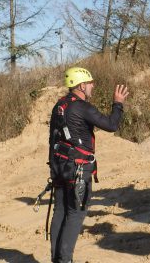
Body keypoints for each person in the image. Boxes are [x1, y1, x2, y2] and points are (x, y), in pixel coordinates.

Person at [48, 67, 129, 263]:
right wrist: (117, 104)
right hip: (77, 169)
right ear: (82, 86)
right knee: (76, 214)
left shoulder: (59, 105)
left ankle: (57, 259)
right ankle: (64, 260)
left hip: (59, 167)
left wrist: (53, 168)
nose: (93, 86)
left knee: (60, 211)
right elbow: (111, 125)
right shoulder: (82, 107)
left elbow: (52, 138)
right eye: (90, 83)